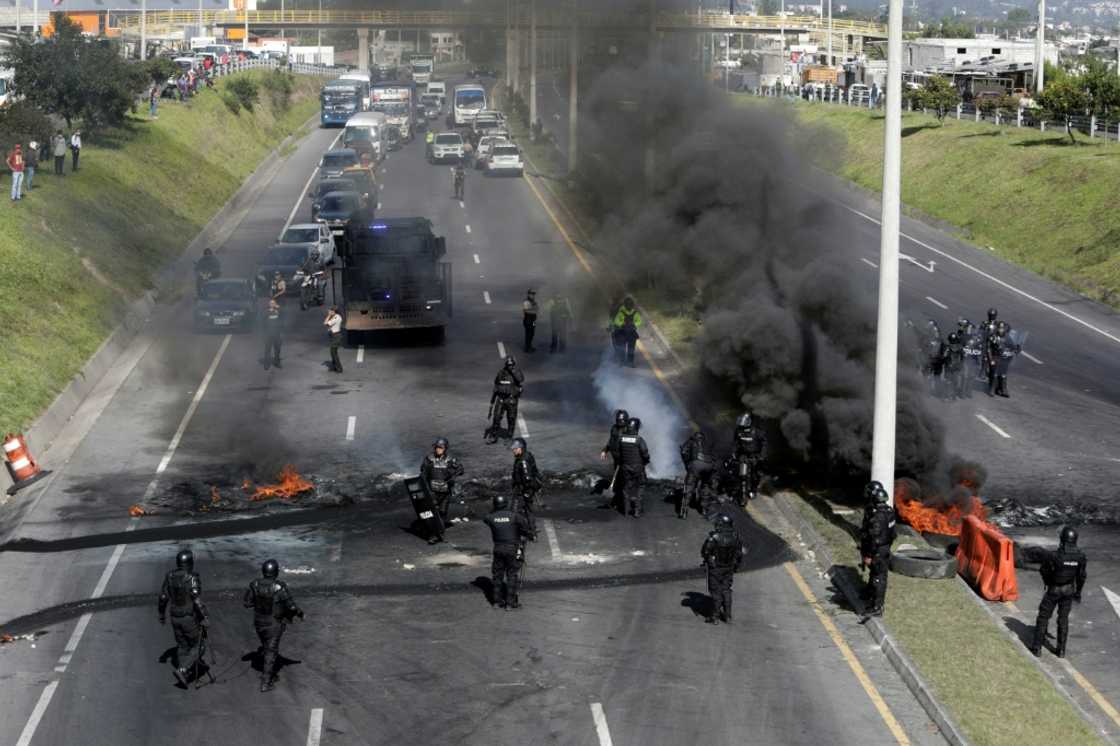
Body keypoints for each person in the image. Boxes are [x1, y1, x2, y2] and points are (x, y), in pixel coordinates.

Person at [243, 559, 304, 692]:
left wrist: (260, 601)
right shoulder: (279, 587)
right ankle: (266, 682)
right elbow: (292, 607)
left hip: (259, 623)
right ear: (275, 572)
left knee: (266, 646)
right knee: (271, 651)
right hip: (273, 624)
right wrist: (300, 613)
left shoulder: (254, 584)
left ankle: (270, 674)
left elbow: (247, 603)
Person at [1030, 526, 1087, 658]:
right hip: (1069, 591)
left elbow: (1043, 570)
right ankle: (1061, 651)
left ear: (1062, 539)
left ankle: (1037, 648)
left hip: (1054, 590)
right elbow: (1081, 576)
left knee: (1043, 617)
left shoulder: (1054, 555)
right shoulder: (1080, 556)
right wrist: (1078, 592)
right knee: (1063, 620)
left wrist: (1049, 582)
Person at [158, 548, 210, 686]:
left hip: (174, 617)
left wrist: (161, 615)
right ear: (190, 562)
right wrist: (204, 616)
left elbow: (163, 597)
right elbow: (196, 598)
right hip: (188, 618)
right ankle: (183, 669)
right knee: (200, 646)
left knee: (182, 646)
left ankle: (184, 674)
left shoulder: (169, 576)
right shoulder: (192, 577)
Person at [483, 495, 534, 609]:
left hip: (498, 548)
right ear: (506, 503)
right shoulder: (515, 516)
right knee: (511, 574)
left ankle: (496, 602)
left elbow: (486, 518)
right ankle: (510, 603)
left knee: (497, 576)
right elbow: (526, 529)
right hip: (512, 548)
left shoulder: (490, 517)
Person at [859, 481, 896, 620]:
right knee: (876, 574)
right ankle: (871, 596)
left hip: (878, 550)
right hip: (884, 547)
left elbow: (875, 538)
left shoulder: (877, 518)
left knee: (879, 578)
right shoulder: (889, 511)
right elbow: (893, 533)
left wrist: (868, 555)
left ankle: (877, 607)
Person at [701, 514, 745, 624]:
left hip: (716, 568)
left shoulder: (714, 537)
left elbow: (705, 551)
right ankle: (727, 616)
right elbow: (739, 554)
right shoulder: (736, 536)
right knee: (726, 590)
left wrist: (709, 560)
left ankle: (714, 616)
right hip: (729, 567)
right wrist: (736, 566)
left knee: (716, 591)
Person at [420, 437, 464, 544]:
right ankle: (433, 535)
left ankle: (440, 532)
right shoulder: (429, 459)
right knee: (432, 513)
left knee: (443, 512)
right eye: (437, 447)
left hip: (445, 491)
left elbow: (461, 469)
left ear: (445, 448)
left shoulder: (450, 459)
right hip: (432, 491)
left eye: (441, 448)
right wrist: (425, 489)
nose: (438, 450)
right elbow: (423, 474)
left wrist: (453, 475)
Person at [611, 417, 650, 518]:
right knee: (640, 486)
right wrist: (645, 462)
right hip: (638, 467)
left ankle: (626, 511)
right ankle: (637, 510)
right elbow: (645, 454)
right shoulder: (639, 440)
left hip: (625, 467)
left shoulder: (621, 438)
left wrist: (621, 462)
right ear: (636, 428)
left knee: (626, 488)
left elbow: (617, 453)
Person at [727, 412, 766, 505]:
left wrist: (761, 456)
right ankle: (741, 495)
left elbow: (764, 443)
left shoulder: (757, 431)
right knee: (742, 475)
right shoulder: (738, 431)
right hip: (743, 455)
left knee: (757, 474)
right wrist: (733, 453)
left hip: (755, 456)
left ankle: (753, 490)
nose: (742, 424)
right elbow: (735, 443)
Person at [486, 355, 524, 443]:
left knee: (511, 418)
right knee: (496, 417)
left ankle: (509, 436)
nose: (509, 367)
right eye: (508, 365)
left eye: (511, 365)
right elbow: (496, 385)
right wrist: (492, 402)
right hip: (501, 399)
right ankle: (494, 435)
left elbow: (521, 379)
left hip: (511, 399)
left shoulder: (516, 372)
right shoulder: (501, 373)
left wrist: (513, 371)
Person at [679, 430, 716, 519]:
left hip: (696, 465)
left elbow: (683, 451)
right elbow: (714, 457)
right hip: (709, 466)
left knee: (689, 486)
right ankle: (704, 510)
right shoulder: (706, 443)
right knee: (706, 486)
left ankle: (684, 511)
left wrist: (687, 464)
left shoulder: (691, 441)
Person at [599, 409, 629, 509]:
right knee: (618, 480)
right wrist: (605, 450)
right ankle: (617, 500)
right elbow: (610, 441)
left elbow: (630, 447)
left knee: (624, 481)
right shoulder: (614, 428)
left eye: (621, 421)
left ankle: (624, 503)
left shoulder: (629, 431)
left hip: (625, 460)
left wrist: (624, 457)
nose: (619, 423)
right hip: (617, 459)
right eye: (618, 420)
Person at [511, 437, 543, 520]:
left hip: (525, 489)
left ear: (521, 448)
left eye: (515, 448)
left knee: (523, 509)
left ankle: (531, 529)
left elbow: (527, 478)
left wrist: (526, 492)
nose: (513, 450)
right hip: (525, 487)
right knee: (525, 509)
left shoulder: (523, 461)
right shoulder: (526, 455)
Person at [988, 321, 1020, 398]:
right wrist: (990, 359)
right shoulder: (993, 337)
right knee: (995, 373)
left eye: (1002, 328)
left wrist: (1017, 349)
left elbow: (1012, 346)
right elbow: (989, 348)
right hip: (996, 357)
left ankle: (1003, 389)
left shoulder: (1007, 337)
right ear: (997, 328)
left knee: (1003, 374)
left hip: (1005, 358)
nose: (1001, 330)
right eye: (999, 328)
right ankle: (992, 389)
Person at [611, 296, 642, 367]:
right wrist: (622, 324)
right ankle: (622, 361)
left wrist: (634, 324)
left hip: (631, 332)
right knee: (622, 347)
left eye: (630, 305)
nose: (629, 306)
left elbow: (639, 321)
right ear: (625, 305)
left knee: (631, 348)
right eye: (628, 305)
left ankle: (630, 362)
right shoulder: (621, 312)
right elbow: (616, 320)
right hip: (622, 332)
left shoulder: (635, 312)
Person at [943, 331, 967, 400]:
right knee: (948, 381)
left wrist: (961, 365)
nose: (953, 341)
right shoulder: (947, 347)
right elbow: (944, 356)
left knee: (954, 381)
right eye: (951, 339)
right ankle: (947, 395)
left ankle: (953, 396)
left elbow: (963, 356)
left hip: (956, 367)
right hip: (949, 366)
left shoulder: (959, 347)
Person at [978, 308, 999, 381]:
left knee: (994, 357)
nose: (992, 317)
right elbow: (980, 331)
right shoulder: (985, 323)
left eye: (993, 315)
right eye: (991, 315)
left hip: (994, 343)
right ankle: (983, 371)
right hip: (985, 341)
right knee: (985, 357)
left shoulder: (998, 324)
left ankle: (991, 372)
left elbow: (1003, 331)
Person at [263, 299, 283, 370]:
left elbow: (283, 314)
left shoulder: (278, 311)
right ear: (269, 304)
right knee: (267, 349)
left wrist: (279, 308)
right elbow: (262, 321)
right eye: (271, 303)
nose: (272, 304)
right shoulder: (266, 312)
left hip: (277, 334)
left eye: (273, 303)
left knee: (277, 349)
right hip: (268, 334)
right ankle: (266, 364)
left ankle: (277, 362)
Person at [324, 306, 343, 373]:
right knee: (332, 352)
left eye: (331, 311)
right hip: (334, 336)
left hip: (336, 336)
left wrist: (329, 315)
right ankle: (334, 367)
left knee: (334, 352)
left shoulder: (337, 317)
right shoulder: (335, 316)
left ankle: (339, 368)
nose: (329, 312)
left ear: (334, 311)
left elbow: (326, 323)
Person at [522, 289, 539, 353]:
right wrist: (534, 309)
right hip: (528, 320)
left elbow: (537, 308)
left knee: (532, 333)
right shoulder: (526, 302)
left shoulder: (533, 302)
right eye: (532, 294)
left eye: (533, 294)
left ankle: (530, 346)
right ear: (529, 294)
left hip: (533, 320)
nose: (533, 295)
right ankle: (527, 348)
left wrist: (535, 309)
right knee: (528, 334)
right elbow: (526, 310)